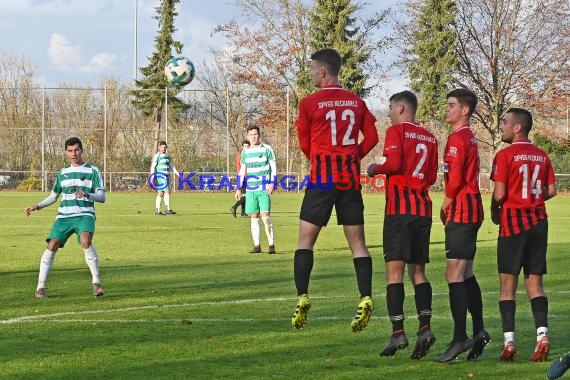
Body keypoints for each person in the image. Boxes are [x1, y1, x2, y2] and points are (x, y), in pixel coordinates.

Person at [292, 48, 379, 332]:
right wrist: (353, 156)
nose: (310, 74)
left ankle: (303, 296)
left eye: (312, 70)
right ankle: (365, 296)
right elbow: (374, 136)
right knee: (358, 244)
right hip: (350, 180)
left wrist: (319, 159)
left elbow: (304, 143)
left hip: (322, 179)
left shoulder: (309, 103)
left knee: (305, 241)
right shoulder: (356, 101)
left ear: (323, 72)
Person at [367, 91, 438, 358]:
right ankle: (425, 327)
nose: (388, 113)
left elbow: (394, 163)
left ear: (400, 108)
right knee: (418, 272)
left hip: (399, 211)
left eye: (390, 108)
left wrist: (375, 168)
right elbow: (430, 176)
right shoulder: (430, 137)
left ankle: (398, 333)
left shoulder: (397, 132)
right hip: (422, 210)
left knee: (394, 273)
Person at [489, 108, 557, 362]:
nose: (502, 126)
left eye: (505, 122)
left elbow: (499, 194)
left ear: (518, 127)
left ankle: (509, 343)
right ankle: (543, 336)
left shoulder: (505, 155)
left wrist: (495, 210)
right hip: (539, 223)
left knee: (507, 286)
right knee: (535, 283)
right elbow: (550, 190)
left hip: (513, 224)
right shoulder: (542, 154)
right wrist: (533, 199)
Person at [437, 88, 490, 363]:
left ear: (465, 110)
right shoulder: (468, 136)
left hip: (462, 210)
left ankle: (460, 338)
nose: (447, 109)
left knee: (454, 274)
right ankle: (479, 330)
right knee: (466, 273)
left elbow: (455, 179)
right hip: (472, 209)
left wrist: (445, 204)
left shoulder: (459, 138)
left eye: (451, 105)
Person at [24, 137, 106, 299]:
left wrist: (88, 194)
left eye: (76, 150)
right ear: (66, 152)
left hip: (85, 214)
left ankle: (96, 283)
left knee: (85, 240)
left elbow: (102, 197)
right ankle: (40, 287)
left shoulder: (93, 171)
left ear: (82, 150)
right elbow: (54, 196)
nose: (73, 153)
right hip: (64, 216)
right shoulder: (63, 173)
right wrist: (37, 206)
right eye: (70, 151)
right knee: (52, 244)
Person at [234, 126, 276, 254]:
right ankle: (257, 246)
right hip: (251, 189)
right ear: (247, 136)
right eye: (251, 135)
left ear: (259, 135)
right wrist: (238, 188)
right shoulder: (245, 153)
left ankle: (271, 245)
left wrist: (272, 182)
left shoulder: (267, 149)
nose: (254, 137)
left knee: (265, 217)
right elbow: (242, 171)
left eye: (256, 134)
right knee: (254, 217)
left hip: (264, 188)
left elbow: (273, 166)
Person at [150, 140, 179, 215]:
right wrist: (152, 176)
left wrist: (177, 173)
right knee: (167, 191)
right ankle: (167, 209)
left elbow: (172, 166)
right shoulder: (157, 155)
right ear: (159, 147)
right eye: (162, 147)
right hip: (160, 175)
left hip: (166, 176)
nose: (164, 149)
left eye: (165, 147)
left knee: (161, 193)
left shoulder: (167, 156)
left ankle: (157, 210)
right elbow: (153, 166)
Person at [230, 139, 250, 218]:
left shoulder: (243, 154)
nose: (246, 148)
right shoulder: (242, 154)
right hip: (243, 177)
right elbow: (240, 167)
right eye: (245, 146)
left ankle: (243, 213)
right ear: (242, 147)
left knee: (245, 195)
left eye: (247, 146)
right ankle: (234, 207)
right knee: (247, 195)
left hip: (243, 176)